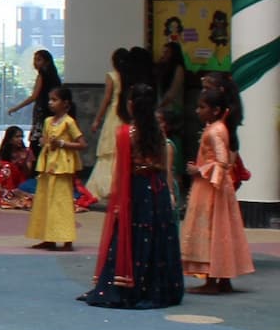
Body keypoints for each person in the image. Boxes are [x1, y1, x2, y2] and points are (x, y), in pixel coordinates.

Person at [79, 84, 185, 310]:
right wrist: (171, 194)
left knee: (131, 234)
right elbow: (164, 166)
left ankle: (125, 285)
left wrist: (117, 201)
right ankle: (155, 287)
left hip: (136, 189)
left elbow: (123, 170)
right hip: (157, 190)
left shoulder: (126, 133)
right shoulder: (158, 132)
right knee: (156, 234)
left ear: (131, 105)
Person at [183, 87, 254, 293]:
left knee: (211, 228)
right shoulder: (220, 128)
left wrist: (199, 169)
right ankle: (222, 278)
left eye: (202, 107)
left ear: (215, 110)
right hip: (220, 186)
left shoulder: (214, 130)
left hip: (210, 187)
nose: (198, 110)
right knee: (222, 229)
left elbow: (222, 161)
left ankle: (212, 281)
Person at [26, 88, 85, 251]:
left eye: (55, 100)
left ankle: (67, 239)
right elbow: (45, 140)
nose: (50, 103)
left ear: (65, 103)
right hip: (48, 165)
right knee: (45, 201)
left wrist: (62, 144)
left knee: (61, 203)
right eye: (50, 100)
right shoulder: (47, 121)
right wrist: (45, 142)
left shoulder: (69, 122)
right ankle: (48, 238)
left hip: (62, 167)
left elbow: (82, 143)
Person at [85, 49, 126, 202]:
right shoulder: (128, 76)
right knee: (119, 149)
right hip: (124, 115)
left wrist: (97, 119)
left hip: (114, 113)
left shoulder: (112, 76)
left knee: (108, 148)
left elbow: (106, 99)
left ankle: (106, 185)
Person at [7, 49, 63, 120]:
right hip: (54, 110)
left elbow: (34, 97)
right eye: (35, 60)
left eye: (39, 60)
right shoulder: (55, 76)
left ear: (47, 62)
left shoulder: (42, 75)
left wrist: (16, 108)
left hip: (43, 109)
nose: (35, 63)